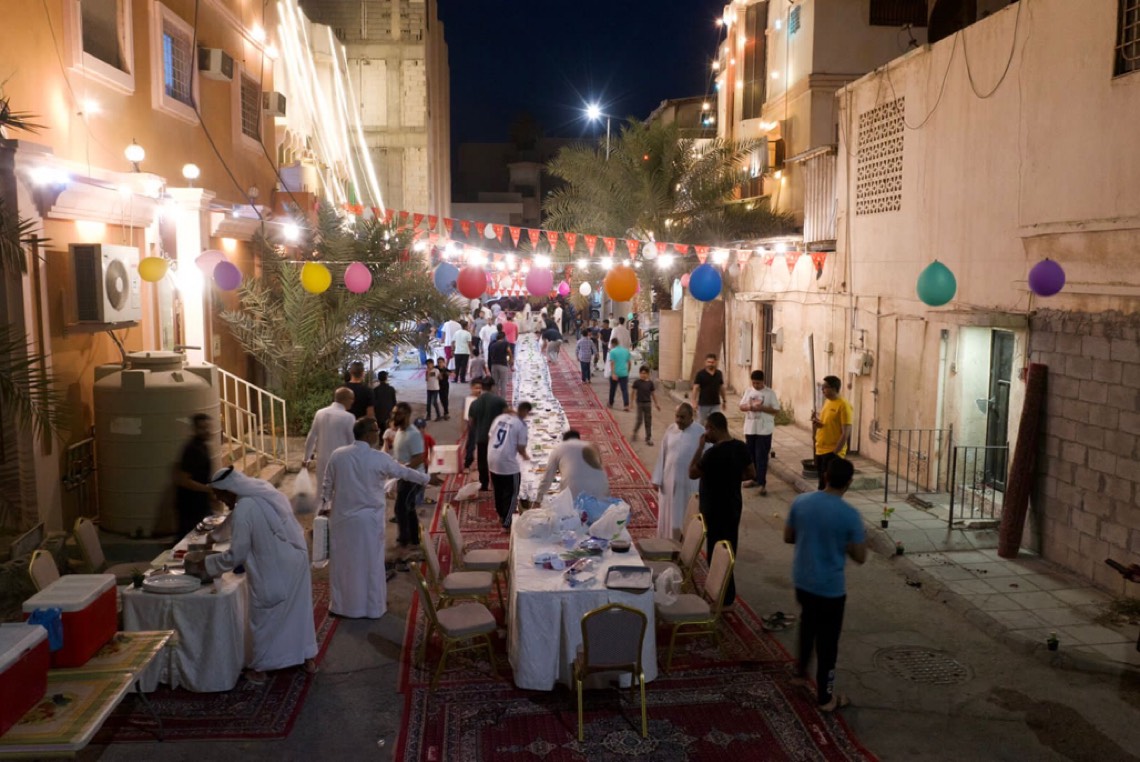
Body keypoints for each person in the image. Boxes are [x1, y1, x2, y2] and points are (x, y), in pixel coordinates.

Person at [190, 467, 318, 682]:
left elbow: (236, 555)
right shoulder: (260, 492)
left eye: (220, 495)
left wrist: (207, 564)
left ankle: (261, 668)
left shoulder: (244, 508)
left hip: (274, 567)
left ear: (230, 490)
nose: (220, 500)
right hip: (296, 560)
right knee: (299, 613)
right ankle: (306, 657)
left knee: (265, 616)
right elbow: (232, 521)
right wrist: (213, 537)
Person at [321, 419, 431, 619]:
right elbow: (403, 472)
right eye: (375, 429)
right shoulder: (379, 458)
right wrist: (426, 479)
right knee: (370, 564)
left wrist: (324, 506)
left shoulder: (338, 455)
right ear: (367, 434)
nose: (378, 432)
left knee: (344, 564)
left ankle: (341, 606)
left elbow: (327, 484)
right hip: (368, 522)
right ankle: (371, 608)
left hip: (342, 520)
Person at [784, 457, 866, 713]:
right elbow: (860, 556)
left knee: (808, 625)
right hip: (830, 588)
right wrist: (843, 542)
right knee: (828, 643)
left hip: (803, 580)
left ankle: (800, 674)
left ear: (825, 476)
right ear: (848, 483)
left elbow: (788, 536)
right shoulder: (850, 515)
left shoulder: (801, 502)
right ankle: (825, 697)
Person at [689, 412, 754, 607]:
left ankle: (722, 593)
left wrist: (700, 447)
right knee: (729, 547)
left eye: (707, 429)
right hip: (732, 507)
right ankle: (727, 592)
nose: (706, 433)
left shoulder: (711, 454)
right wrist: (731, 478)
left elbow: (692, 473)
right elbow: (751, 473)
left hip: (714, 509)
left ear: (714, 428)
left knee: (716, 551)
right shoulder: (740, 447)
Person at [651, 404, 705, 540]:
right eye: (677, 416)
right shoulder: (671, 429)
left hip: (688, 486)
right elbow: (662, 453)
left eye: (682, 417)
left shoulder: (701, 432)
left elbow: (707, 459)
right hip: (668, 483)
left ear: (691, 416)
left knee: (684, 517)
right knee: (668, 516)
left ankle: (683, 547)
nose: (678, 420)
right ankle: (664, 542)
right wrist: (657, 478)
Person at [488, 402, 532, 528]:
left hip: (492, 458)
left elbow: (491, 436)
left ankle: (501, 515)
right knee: (512, 492)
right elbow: (521, 448)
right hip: (508, 464)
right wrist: (527, 458)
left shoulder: (500, 418)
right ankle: (507, 522)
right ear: (525, 412)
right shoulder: (521, 424)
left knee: (498, 490)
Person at [302, 387, 356, 492]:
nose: (353, 402)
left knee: (322, 491)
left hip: (322, 460)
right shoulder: (349, 417)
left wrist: (306, 458)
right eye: (352, 399)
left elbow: (311, 436)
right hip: (342, 462)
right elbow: (353, 442)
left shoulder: (320, 413)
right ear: (346, 399)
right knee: (340, 493)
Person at [391, 402, 427, 551]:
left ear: (406, 415)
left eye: (397, 414)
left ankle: (404, 540)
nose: (394, 416)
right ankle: (415, 539)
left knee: (400, 508)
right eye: (393, 413)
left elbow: (419, 458)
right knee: (409, 507)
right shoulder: (400, 430)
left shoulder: (413, 434)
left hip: (412, 478)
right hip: (403, 476)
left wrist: (403, 470)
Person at [535, 430, 609, 501]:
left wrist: (538, 498)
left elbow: (547, 478)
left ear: (564, 441)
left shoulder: (559, 449)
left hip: (574, 496)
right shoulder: (592, 446)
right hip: (602, 493)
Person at [174, 413, 216, 539]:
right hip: (190, 505)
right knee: (190, 538)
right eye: (202, 428)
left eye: (208, 427)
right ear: (195, 429)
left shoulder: (203, 446)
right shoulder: (192, 450)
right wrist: (209, 489)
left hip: (200, 502)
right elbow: (184, 480)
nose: (207, 431)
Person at [739, 370, 780, 495]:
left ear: (763, 381)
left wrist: (762, 408)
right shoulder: (748, 391)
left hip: (764, 430)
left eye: (758, 383)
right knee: (751, 456)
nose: (756, 385)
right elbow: (741, 406)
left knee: (761, 456)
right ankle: (753, 478)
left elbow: (776, 410)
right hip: (750, 428)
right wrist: (750, 407)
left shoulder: (770, 393)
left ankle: (762, 483)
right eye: (754, 383)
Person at [812, 375, 853, 491]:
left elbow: (846, 433)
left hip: (832, 451)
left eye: (825, 387)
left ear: (834, 388)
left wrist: (835, 453)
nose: (822, 389)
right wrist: (818, 423)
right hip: (820, 448)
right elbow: (826, 423)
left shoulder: (843, 405)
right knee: (821, 483)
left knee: (828, 486)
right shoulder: (827, 402)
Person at [467, 376, 508, 491]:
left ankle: (484, 484)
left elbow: (471, 422)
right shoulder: (500, 401)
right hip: (497, 437)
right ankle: (497, 484)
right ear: (493, 387)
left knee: (482, 462)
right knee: (497, 460)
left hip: (481, 437)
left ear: (482, 387)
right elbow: (507, 418)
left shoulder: (475, 403)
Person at [690, 353, 727, 424]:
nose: (710, 364)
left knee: (715, 423)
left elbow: (721, 388)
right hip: (703, 404)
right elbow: (696, 388)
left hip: (715, 404)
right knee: (701, 422)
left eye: (712, 362)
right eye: (708, 362)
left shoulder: (719, 374)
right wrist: (693, 401)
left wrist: (724, 400)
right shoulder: (700, 374)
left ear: (715, 362)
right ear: (705, 362)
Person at [630, 365, 660, 445]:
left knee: (648, 421)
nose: (643, 375)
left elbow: (653, 394)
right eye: (642, 373)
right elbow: (633, 392)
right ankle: (635, 432)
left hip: (648, 404)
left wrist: (656, 404)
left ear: (648, 374)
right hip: (639, 403)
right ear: (639, 373)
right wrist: (631, 403)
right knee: (639, 420)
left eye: (645, 373)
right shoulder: (637, 382)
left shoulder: (650, 383)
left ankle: (648, 438)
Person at [461, 378, 484, 471]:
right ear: (471, 388)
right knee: (471, 444)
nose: (478, 390)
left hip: (481, 424)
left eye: (480, 388)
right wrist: (463, 424)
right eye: (476, 388)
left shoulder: (483, 399)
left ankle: (480, 463)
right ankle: (467, 463)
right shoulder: (467, 399)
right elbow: (463, 412)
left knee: (481, 445)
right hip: (472, 425)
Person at [607, 337, 632, 410]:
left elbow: (612, 363)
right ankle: (626, 405)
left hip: (615, 373)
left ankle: (610, 403)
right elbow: (629, 363)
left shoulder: (612, 352)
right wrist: (627, 372)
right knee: (624, 390)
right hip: (624, 373)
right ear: (618, 342)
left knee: (612, 389)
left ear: (612, 344)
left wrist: (613, 373)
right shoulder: (626, 351)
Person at [487, 330, 513, 395]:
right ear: (504, 337)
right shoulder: (505, 343)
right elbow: (509, 351)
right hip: (503, 365)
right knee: (503, 383)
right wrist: (511, 360)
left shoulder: (492, 345)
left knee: (495, 383)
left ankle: (495, 397)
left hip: (494, 365)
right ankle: (502, 399)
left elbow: (489, 356)